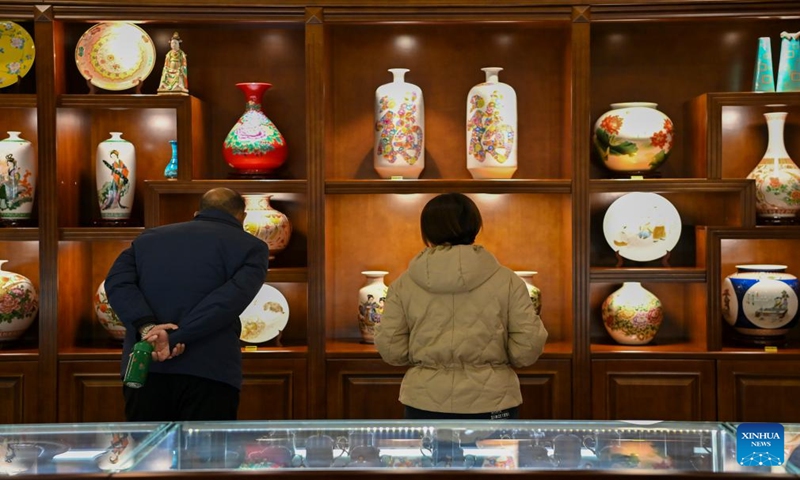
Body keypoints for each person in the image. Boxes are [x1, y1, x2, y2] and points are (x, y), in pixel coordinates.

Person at [374, 192, 548, 420]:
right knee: (495, 458)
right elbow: (527, 348)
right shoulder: (507, 280)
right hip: (493, 400)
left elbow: (391, 349)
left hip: (424, 400)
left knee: (430, 457)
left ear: (426, 231)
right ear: (475, 226)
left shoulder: (403, 284)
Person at [105, 187, 270, 421]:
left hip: (146, 366)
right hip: (211, 369)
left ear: (196, 212)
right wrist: (177, 336)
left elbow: (117, 284)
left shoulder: (148, 239)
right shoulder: (252, 247)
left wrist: (148, 328)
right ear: (241, 217)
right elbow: (226, 302)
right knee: (206, 456)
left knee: (148, 454)